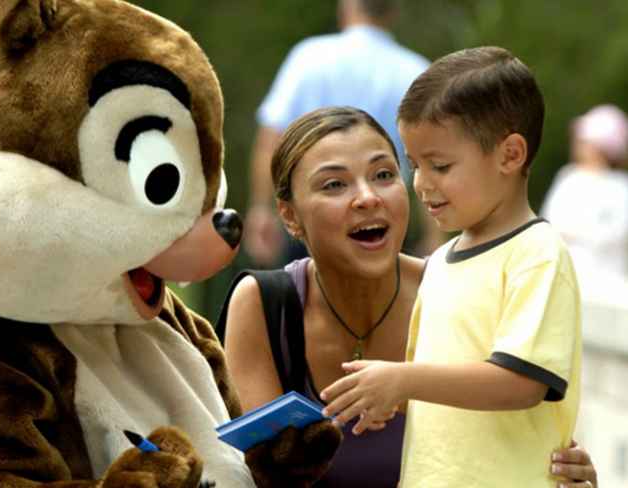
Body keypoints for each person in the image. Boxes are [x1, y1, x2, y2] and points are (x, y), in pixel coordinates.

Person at [221, 106, 597, 487]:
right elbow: (260, 477)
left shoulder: (457, 291)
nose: (368, 197)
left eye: (384, 174)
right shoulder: (264, 305)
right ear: (289, 216)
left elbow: (511, 431)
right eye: (334, 184)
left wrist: (557, 471)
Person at [320, 47, 584, 487]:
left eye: (440, 166)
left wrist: (403, 381)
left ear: (510, 154)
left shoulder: (537, 254)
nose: (421, 184)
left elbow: (521, 383)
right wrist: (393, 398)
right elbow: (443, 384)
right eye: (415, 165)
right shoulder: (441, 262)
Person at [243, 0, 434, 267]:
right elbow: (428, 161)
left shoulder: (309, 57)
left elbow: (270, 140)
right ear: (393, 12)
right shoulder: (415, 70)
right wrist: (435, 237)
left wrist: (262, 210)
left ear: (347, 6)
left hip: (312, 222)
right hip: (381, 224)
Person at [541, 104, 628, 303]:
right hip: (565, 278)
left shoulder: (620, 188)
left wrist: (576, 231)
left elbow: (618, 233)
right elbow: (548, 222)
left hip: (606, 284)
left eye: (585, 142)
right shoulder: (568, 178)